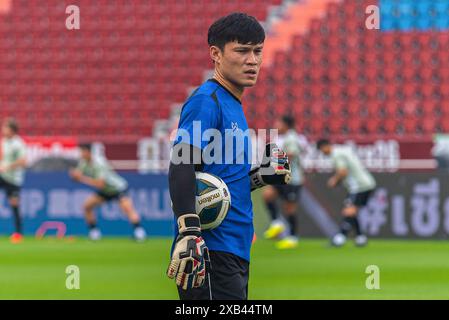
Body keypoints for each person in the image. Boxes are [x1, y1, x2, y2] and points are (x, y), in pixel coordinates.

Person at [167, 13, 291, 300]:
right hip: (210, 251)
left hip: (234, 248)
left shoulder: (232, 104)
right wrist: (188, 233)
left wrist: (262, 176)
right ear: (216, 54)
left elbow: (223, 184)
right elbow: (181, 163)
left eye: (257, 51)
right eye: (242, 51)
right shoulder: (205, 101)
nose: (252, 60)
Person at [69, 143, 146, 241]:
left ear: (88, 152)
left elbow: (100, 184)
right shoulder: (83, 162)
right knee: (87, 206)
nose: (80, 154)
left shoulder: (99, 163)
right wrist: (74, 175)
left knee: (127, 209)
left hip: (117, 188)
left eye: (82, 152)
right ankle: (94, 233)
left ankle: (139, 232)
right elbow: (78, 175)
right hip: (105, 191)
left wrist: (81, 178)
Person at [316, 139, 376, 247]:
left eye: (321, 150)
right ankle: (360, 238)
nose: (323, 153)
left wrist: (334, 180)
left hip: (359, 186)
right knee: (352, 212)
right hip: (365, 184)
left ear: (325, 146)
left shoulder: (336, 154)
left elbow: (343, 171)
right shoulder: (342, 150)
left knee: (348, 211)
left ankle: (340, 237)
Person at [263, 115, 306, 249]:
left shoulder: (291, 137)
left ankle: (293, 237)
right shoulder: (281, 137)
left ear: (286, 125)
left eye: (278, 123)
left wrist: (274, 163)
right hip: (281, 176)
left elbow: (291, 154)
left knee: (289, 208)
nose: (276, 125)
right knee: (267, 195)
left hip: (292, 179)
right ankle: (277, 223)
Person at [0, 118, 27, 243]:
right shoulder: (4, 141)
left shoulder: (19, 144)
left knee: (14, 204)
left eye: (6, 128)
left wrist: (8, 166)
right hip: (2, 175)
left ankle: (18, 233)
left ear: (12, 130)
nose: (3, 130)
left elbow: (23, 161)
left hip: (13, 179)